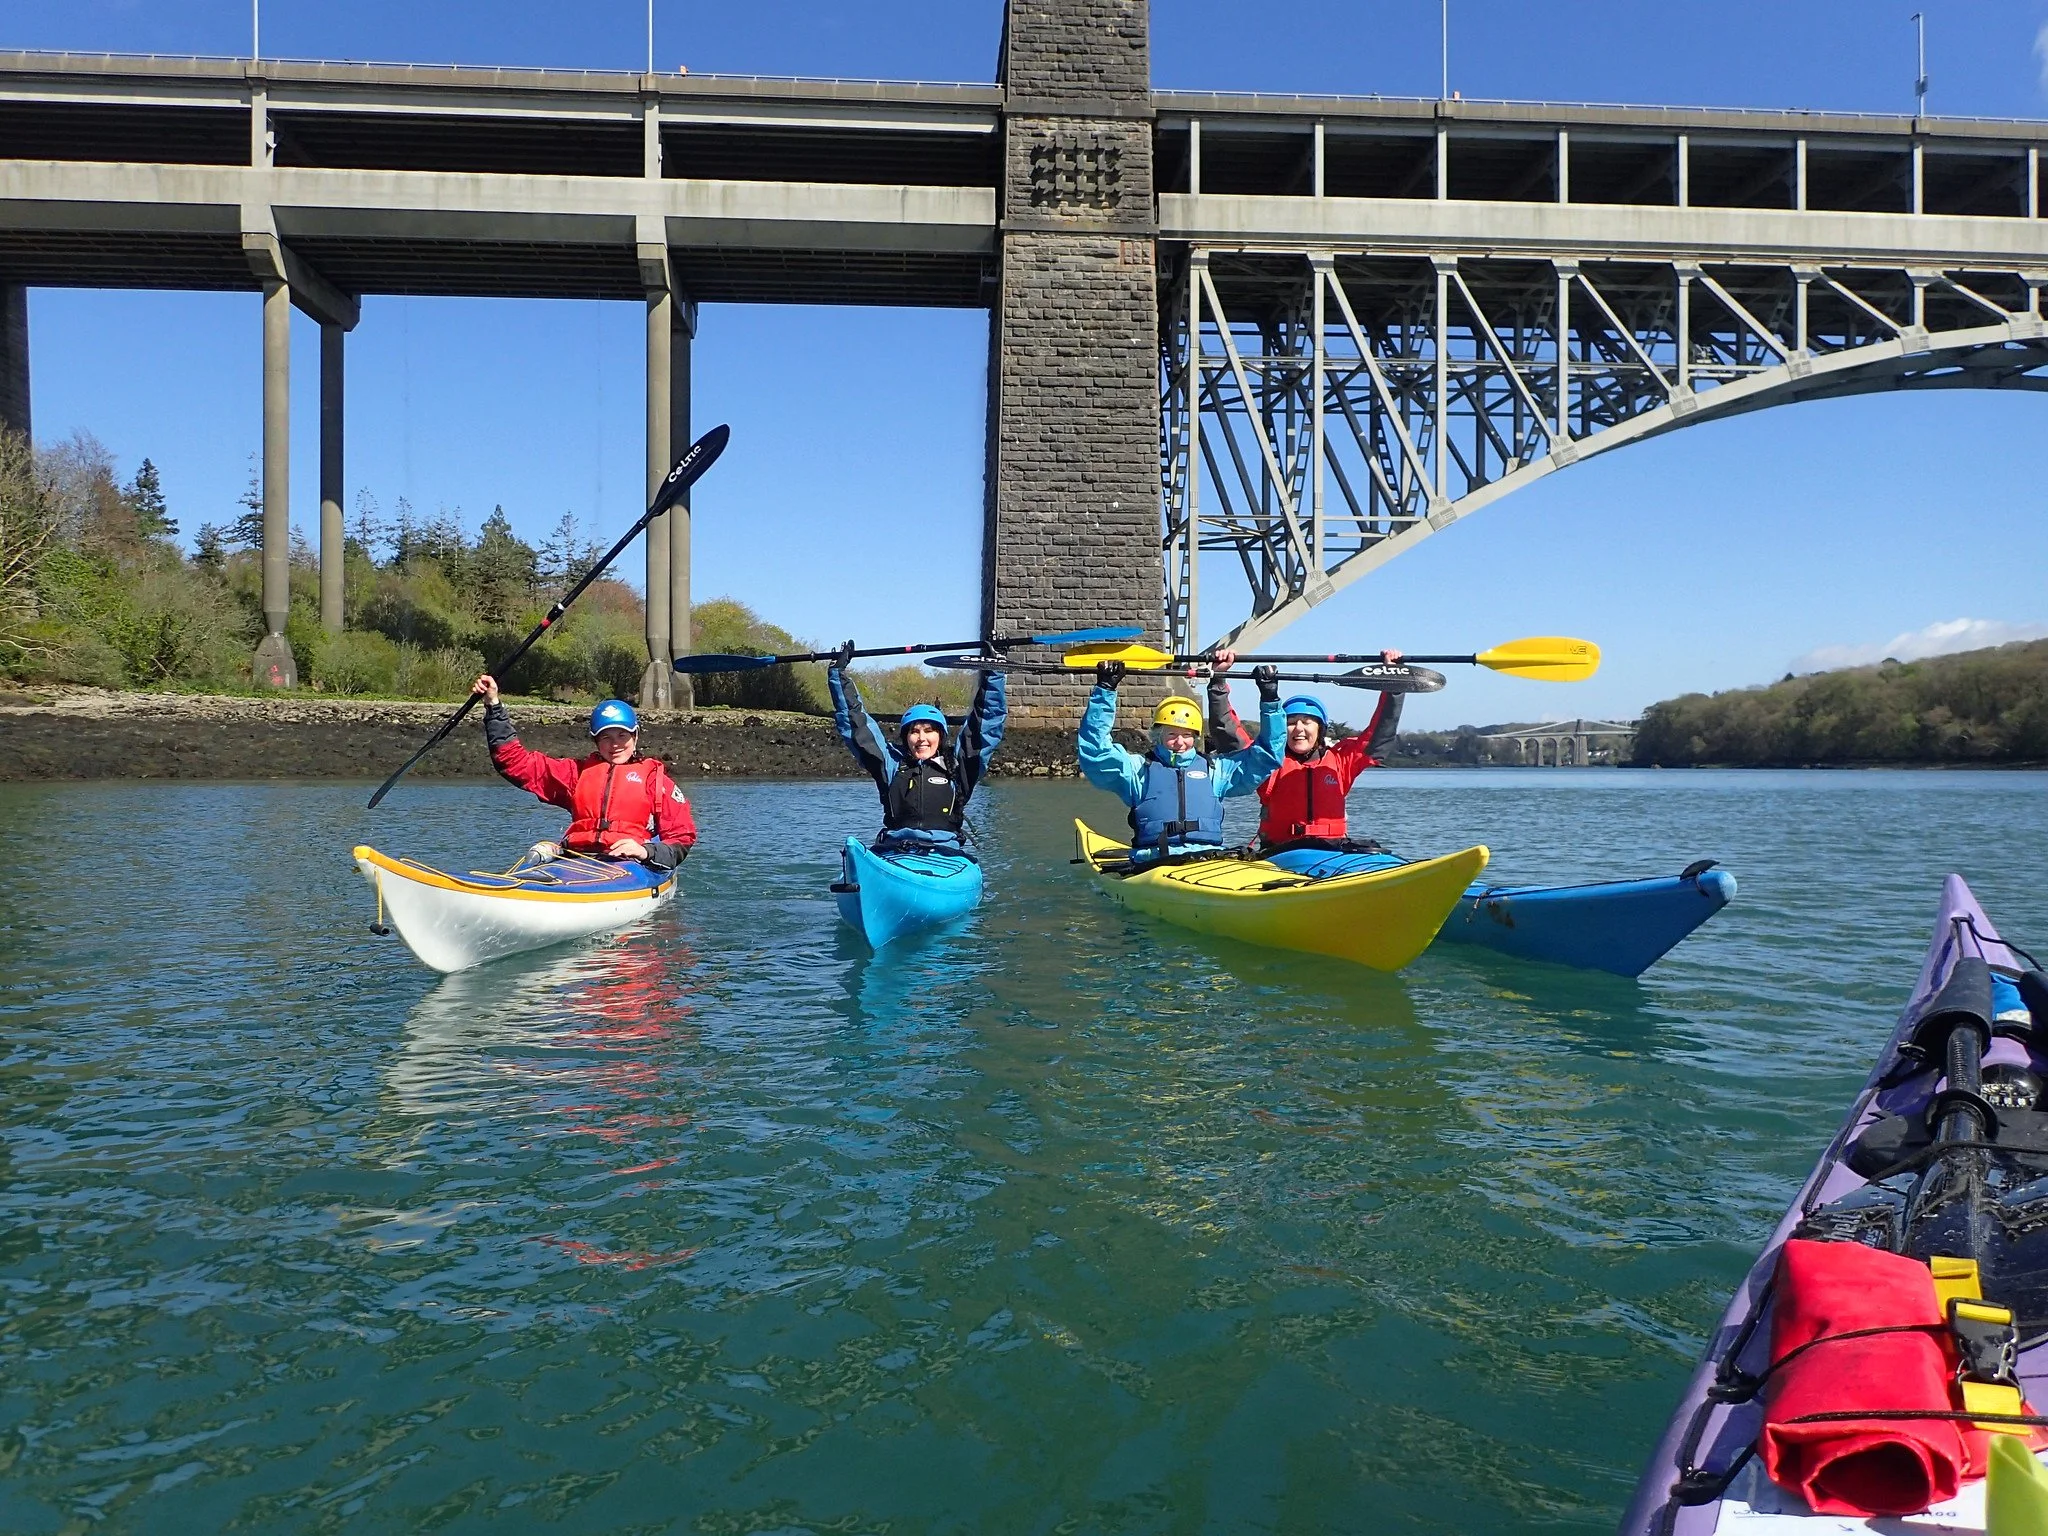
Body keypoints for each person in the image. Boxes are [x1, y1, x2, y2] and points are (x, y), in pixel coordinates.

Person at [471, 675, 696, 869]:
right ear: (596, 741)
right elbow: (514, 762)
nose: (615, 744)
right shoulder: (576, 773)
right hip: (578, 859)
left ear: (635, 736)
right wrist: (494, 706)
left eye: (622, 735)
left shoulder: (655, 780)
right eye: (606, 737)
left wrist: (646, 851)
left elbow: (681, 837)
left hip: (631, 865)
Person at [1078, 650, 1284, 862]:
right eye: (1172, 735)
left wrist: (1270, 699)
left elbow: (1267, 756)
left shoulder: (1216, 770)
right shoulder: (1138, 770)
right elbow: (1096, 752)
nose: (1179, 742)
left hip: (1208, 858)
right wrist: (1105, 690)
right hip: (1154, 860)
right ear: (1158, 735)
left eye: (1187, 735)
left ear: (1195, 737)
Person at [1205, 651, 1405, 854]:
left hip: (1332, 852)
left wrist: (1393, 680)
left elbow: (1380, 734)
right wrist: (1218, 680)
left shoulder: (1341, 761)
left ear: (1320, 730)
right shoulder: (1266, 762)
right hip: (1279, 852)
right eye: (1291, 722)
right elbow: (1228, 733)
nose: (1299, 729)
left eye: (1307, 722)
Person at [828, 642, 1006, 854]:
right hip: (896, 851)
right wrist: (837, 673)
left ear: (940, 736)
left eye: (929, 731)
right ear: (906, 738)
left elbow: (985, 724)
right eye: (914, 732)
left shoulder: (960, 768)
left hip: (945, 854)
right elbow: (856, 724)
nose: (922, 738)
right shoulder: (891, 766)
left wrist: (994, 670)